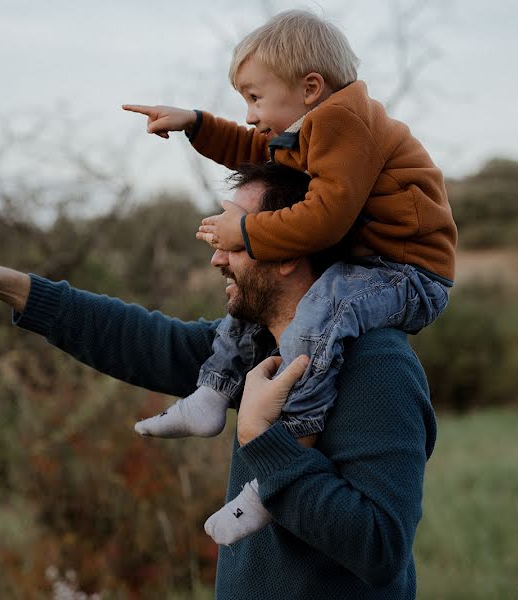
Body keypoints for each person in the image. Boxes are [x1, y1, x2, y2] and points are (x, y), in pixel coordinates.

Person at [0, 162, 437, 599]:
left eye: (233, 239)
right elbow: (144, 340)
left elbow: (380, 547)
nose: (216, 257)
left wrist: (263, 444)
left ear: (289, 251)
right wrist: (7, 284)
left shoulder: (376, 364)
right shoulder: (257, 346)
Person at [122, 8, 455, 543]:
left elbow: (327, 218)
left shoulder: (344, 121)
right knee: (253, 303)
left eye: (255, 98)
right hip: (370, 263)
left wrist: (246, 234)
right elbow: (258, 150)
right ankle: (212, 394)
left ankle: (278, 468)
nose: (251, 114)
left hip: (409, 273)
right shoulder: (315, 127)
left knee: (314, 323)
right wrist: (196, 124)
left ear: (310, 87)